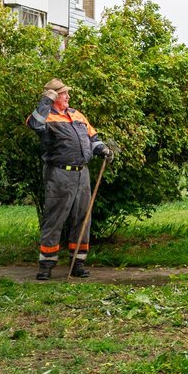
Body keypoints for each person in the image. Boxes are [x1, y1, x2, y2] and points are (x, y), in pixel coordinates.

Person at [26, 78, 113, 280]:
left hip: (82, 174)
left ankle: (78, 263)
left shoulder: (77, 115)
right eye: (64, 93)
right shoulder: (45, 116)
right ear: (54, 96)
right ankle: (46, 266)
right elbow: (34, 124)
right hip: (59, 174)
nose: (68, 96)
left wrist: (103, 150)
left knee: (82, 218)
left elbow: (93, 138)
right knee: (55, 218)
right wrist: (46, 100)